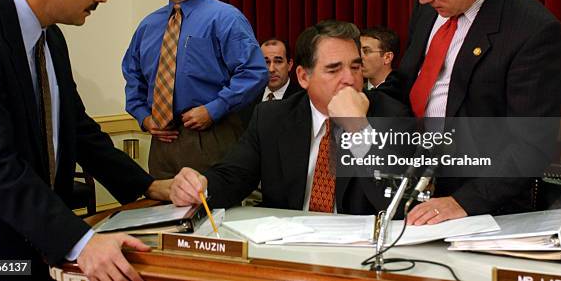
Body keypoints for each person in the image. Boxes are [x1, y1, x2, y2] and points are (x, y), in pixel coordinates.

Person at [0, 0, 175, 281]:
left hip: (38, 246)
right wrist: (80, 241)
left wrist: (147, 185)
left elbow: (78, 131)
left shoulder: (52, 39)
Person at [398, 0, 561, 225]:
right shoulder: (435, 4)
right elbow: (408, 81)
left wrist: (462, 202)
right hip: (411, 184)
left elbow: (530, 145)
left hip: (478, 204)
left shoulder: (533, 31)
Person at [169, 20, 411, 214]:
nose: (349, 79)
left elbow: (399, 204)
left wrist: (358, 130)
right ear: (304, 77)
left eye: (356, 67)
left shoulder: (390, 115)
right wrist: (199, 186)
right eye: (334, 69)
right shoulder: (272, 117)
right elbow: (233, 177)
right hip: (287, 248)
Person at [123, 0, 267, 179]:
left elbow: (253, 72)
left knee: (213, 213)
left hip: (211, 134)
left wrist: (214, 109)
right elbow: (132, 74)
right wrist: (142, 116)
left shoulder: (225, 18)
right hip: (162, 142)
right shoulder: (148, 26)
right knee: (164, 213)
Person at [239, 38, 303, 127]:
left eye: (278, 61)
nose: (271, 69)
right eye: (266, 62)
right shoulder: (249, 97)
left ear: (290, 65)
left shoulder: (302, 100)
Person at [359, 27, 405, 103]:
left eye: (366, 51)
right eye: (358, 50)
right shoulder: (356, 92)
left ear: (387, 57)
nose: (359, 56)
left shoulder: (404, 94)